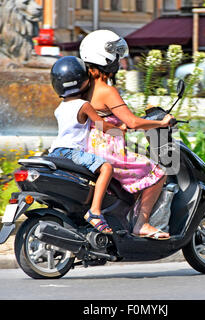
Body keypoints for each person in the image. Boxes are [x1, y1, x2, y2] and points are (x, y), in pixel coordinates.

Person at [80, 30, 174, 240]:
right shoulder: (107, 91)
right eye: (115, 56)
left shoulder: (86, 88)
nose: (118, 61)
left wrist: (119, 128)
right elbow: (133, 121)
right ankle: (142, 223)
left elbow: (100, 122)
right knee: (158, 172)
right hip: (110, 152)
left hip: (93, 146)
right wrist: (161, 122)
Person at [48, 56, 125, 235]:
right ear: (82, 81)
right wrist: (120, 129)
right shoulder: (84, 105)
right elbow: (101, 126)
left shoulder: (59, 108)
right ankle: (95, 212)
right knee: (106, 168)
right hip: (72, 152)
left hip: (56, 151)